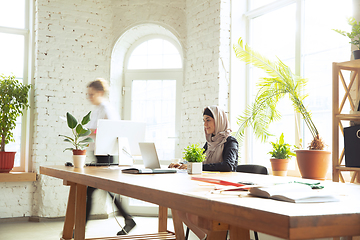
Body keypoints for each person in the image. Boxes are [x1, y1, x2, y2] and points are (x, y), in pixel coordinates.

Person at [169, 105, 238, 239]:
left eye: (208, 120)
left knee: (189, 213)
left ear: (218, 120)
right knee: (180, 209)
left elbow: (228, 166)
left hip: (223, 190)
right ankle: (206, 237)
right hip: (206, 186)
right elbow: (197, 160)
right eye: (204, 121)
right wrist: (183, 164)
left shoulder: (230, 141)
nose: (205, 125)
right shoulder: (210, 142)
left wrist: (199, 167)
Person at [86, 78, 136, 236]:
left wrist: (92, 133)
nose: (89, 97)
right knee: (105, 191)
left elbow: (113, 130)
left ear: (100, 93)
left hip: (106, 158)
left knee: (90, 191)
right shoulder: (97, 109)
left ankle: (79, 228)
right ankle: (128, 219)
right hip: (98, 155)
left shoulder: (107, 109)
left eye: (92, 94)